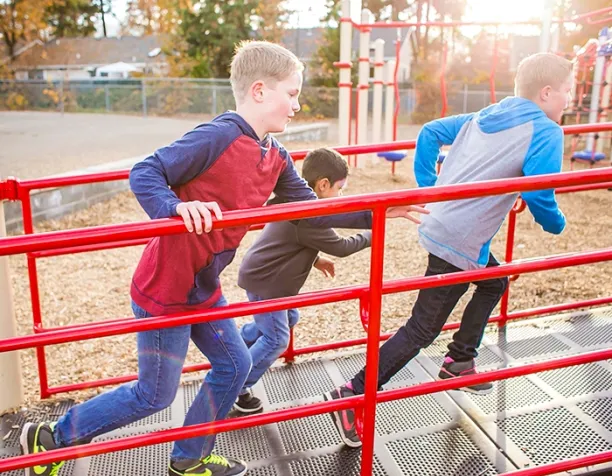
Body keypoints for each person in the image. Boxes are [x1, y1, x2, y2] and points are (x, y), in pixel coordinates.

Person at [20, 40, 426, 476]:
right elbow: (146, 172)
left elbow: (314, 208)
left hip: (203, 288)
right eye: (291, 93)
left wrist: (380, 211)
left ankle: (188, 456)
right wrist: (174, 208)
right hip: (167, 291)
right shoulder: (220, 135)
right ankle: (51, 438)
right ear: (258, 91)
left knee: (236, 363)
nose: (297, 103)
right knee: (154, 394)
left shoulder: (276, 156)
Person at [324, 52, 572, 448]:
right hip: (460, 240)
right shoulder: (545, 130)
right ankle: (351, 394)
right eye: (565, 93)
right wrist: (556, 223)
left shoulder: (487, 115)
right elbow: (541, 192)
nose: (568, 101)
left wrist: (431, 190)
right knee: (421, 328)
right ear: (545, 92)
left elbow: (429, 132)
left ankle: (459, 359)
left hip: (446, 225)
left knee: (494, 281)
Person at [233, 148, 374, 414]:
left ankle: (237, 342)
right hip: (268, 283)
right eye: (340, 189)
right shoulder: (312, 219)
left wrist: (316, 259)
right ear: (323, 185)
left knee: (286, 321)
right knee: (276, 340)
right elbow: (342, 247)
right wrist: (372, 234)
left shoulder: (295, 201)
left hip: (266, 277)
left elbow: (288, 242)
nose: (341, 195)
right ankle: (235, 386)